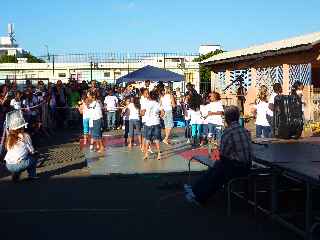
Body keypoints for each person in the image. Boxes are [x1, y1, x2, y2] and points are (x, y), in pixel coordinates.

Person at [184, 106, 253, 205]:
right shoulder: (245, 131)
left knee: (215, 173)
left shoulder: (228, 132)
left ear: (227, 119)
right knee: (215, 169)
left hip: (236, 168)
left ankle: (199, 196)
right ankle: (195, 190)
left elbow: (223, 154)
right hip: (247, 166)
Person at [4, 112, 38, 182]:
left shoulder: (9, 137)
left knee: (20, 157)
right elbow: (32, 151)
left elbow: (8, 149)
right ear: (21, 127)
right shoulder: (25, 136)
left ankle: (16, 173)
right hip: (19, 164)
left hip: (8, 165)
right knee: (34, 156)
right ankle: (32, 176)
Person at [143, 90, 164, 161]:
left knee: (147, 139)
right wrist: (160, 116)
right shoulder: (158, 104)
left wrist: (143, 113)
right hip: (156, 122)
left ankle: (146, 154)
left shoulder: (147, 103)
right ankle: (159, 154)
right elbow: (163, 113)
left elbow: (142, 112)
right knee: (157, 139)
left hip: (148, 123)